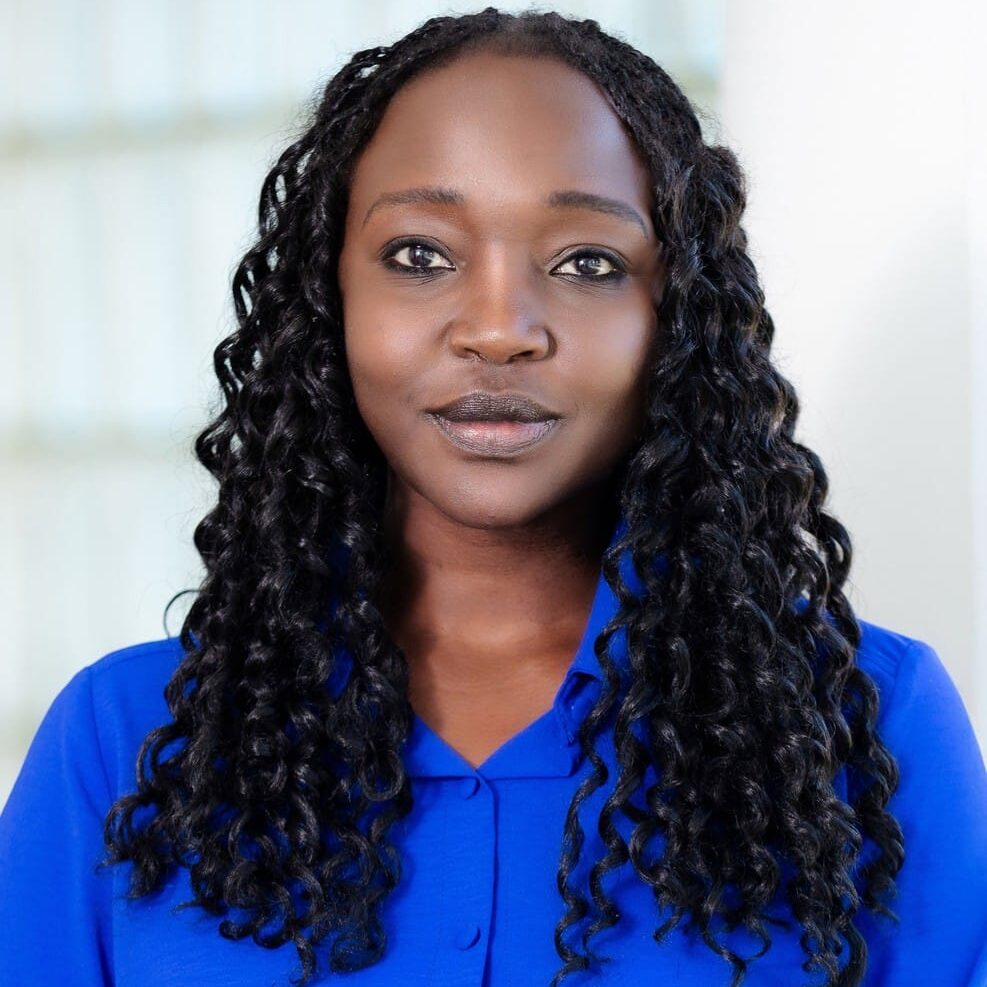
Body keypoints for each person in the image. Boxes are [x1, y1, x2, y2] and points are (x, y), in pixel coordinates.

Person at [1, 7, 985, 986]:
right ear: (328, 299)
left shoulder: (872, 729)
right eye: (421, 254)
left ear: (676, 318)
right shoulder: (119, 742)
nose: (500, 328)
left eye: (587, 263)